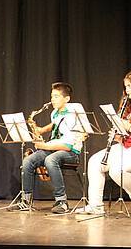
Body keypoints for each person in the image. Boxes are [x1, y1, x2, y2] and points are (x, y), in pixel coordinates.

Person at [75, 69, 131, 217]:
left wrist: (128, 127)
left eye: (130, 86)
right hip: (130, 147)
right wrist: (119, 136)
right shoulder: (129, 105)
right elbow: (129, 133)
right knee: (94, 162)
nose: (126, 90)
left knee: (117, 170)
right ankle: (95, 206)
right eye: (125, 86)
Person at [19, 82, 83, 214]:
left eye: (56, 96)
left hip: (70, 152)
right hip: (53, 148)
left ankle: (62, 201)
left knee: (50, 160)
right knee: (28, 161)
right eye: (52, 96)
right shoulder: (55, 112)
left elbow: (67, 145)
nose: (52, 100)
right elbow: (55, 123)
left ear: (67, 99)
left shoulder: (73, 113)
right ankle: (26, 200)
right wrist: (41, 130)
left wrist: (44, 145)